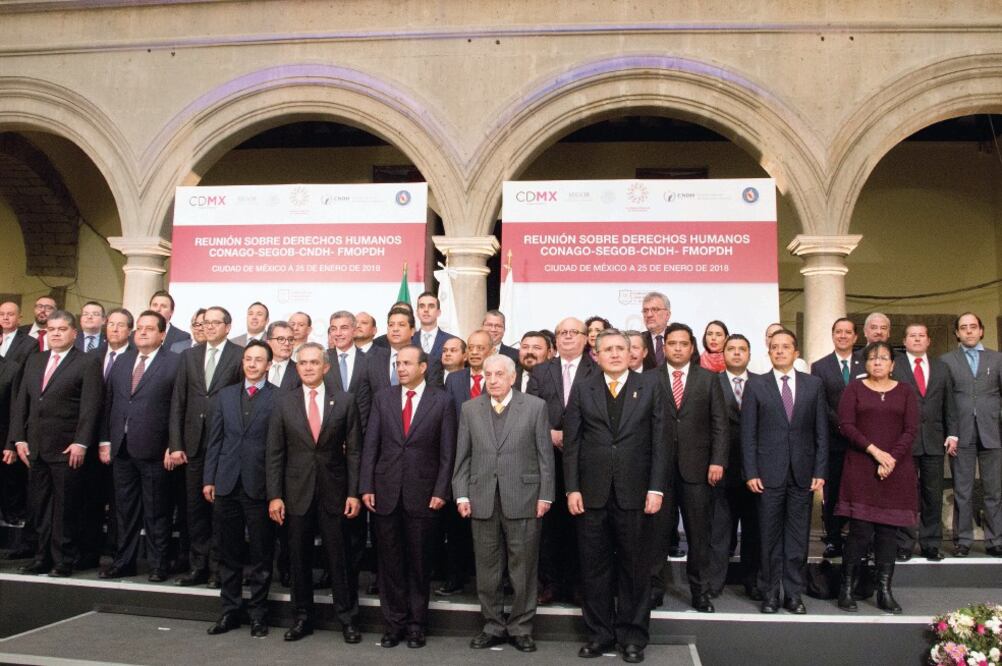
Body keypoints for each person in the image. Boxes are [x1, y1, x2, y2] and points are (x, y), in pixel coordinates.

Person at [563, 329, 665, 664]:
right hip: (590, 495)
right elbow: (572, 444)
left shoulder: (650, 386)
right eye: (608, 349)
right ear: (596, 355)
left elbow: (661, 443)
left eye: (621, 348)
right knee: (594, 569)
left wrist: (656, 487)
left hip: (636, 494)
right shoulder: (583, 388)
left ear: (632, 352)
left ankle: (633, 638)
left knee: (635, 570)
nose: (616, 354)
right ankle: (599, 635)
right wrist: (572, 488)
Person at [453, 353, 553, 653]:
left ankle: (521, 627)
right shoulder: (470, 409)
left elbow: (545, 456)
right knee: (487, 569)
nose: (493, 380)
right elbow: (463, 456)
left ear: (512, 377)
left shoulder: (535, 407)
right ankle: (493, 625)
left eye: (499, 374)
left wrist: (545, 495)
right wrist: (461, 493)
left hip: (523, 498)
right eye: (488, 374)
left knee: (522, 569)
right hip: (482, 498)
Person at [266, 342, 363, 643]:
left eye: (314, 362)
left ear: (326, 367)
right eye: (303, 363)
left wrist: (354, 492)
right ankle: (302, 618)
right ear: (297, 368)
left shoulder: (345, 401)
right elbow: (274, 453)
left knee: (339, 559)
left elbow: (355, 453)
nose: (308, 367)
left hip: (335, 493)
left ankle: (347, 619)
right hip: (295, 493)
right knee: (298, 559)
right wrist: (275, 495)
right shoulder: (284, 402)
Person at [361, 346, 456, 648]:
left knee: (418, 564)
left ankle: (416, 624)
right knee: (389, 564)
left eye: (407, 363)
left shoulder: (442, 401)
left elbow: (448, 452)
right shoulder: (383, 398)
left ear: (423, 367)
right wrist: (366, 486)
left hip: (424, 495)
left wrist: (442, 490)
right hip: (385, 493)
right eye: (397, 363)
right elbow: (371, 446)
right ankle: (393, 624)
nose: (401, 368)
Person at [6, 310, 103, 577]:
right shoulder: (35, 361)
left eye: (62, 329)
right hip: (35, 447)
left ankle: (63, 560)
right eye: (52, 329)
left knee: (64, 509)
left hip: (67, 448)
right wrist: (19, 439)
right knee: (39, 507)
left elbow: (91, 407)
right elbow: (21, 404)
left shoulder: (87, 362)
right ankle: (41, 557)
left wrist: (81, 442)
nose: (56, 333)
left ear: (74, 333)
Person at [741, 329, 827, 614]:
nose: (779, 351)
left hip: (802, 474)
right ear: (769, 352)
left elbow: (821, 433)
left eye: (785, 347)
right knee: (768, 537)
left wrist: (820, 470)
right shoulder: (757, 386)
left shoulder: (813, 385)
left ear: (796, 352)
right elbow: (748, 434)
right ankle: (769, 594)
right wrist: (751, 471)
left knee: (797, 538)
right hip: (767, 474)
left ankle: (793, 594)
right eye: (774, 347)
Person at [836, 340, 919, 614]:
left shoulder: (906, 391)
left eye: (883, 358)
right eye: (873, 358)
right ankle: (846, 589)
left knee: (887, 532)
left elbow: (910, 429)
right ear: (866, 363)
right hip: (861, 466)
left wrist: (891, 457)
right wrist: (875, 452)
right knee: (859, 531)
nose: (878, 362)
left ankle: (884, 591)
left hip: (895, 470)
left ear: (893, 365)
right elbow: (845, 424)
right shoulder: (854, 389)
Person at [650, 322, 728, 613]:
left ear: (692, 347)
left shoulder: (709, 379)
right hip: (659, 472)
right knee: (656, 535)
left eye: (683, 343)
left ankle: (700, 592)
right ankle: (654, 589)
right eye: (672, 343)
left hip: (698, 471)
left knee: (698, 535)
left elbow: (720, 424)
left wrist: (718, 460)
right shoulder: (649, 378)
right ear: (665, 346)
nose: (678, 348)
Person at [202, 340, 278, 637]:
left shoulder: (280, 398)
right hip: (226, 482)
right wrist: (210, 478)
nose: (252, 364)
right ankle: (229, 611)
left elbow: (278, 449)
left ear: (269, 365)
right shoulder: (225, 395)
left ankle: (259, 614)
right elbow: (215, 440)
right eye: (248, 358)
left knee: (261, 554)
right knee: (228, 552)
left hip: (260, 486)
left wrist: (276, 492)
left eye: (259, 360)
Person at [98, 310, 178, 582]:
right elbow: (110, 403)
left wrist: (173, 444)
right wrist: (106, 439)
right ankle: (124, 562)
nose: (142, 332)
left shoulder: (174, 363)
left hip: (155, 450)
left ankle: (158, 564)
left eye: (149, 328)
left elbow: (178, 408)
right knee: (124, 511)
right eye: (139, 328)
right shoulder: (122, 361)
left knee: (157, 511)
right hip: (121, 448)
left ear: (162, 334)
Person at [168, 306, 243, 587]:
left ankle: (218, 569)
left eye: (215, 322)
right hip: (192, 445)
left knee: (220, 511)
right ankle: (197, 566)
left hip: (224, 445)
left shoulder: (238, 356)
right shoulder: (189, 355)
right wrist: (176, 443)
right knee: (194, 510)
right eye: (204, 322)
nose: (209, 327)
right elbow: (178, 402)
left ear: (228, 326)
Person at [526, 317, 597, 605]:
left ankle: (579, 586)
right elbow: (529, 411)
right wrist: (550, 433)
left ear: (586, 338)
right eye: (562, 333)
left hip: (586, 461)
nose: (568, 337)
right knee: (549, 529)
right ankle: (550, 585)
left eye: (573, 332)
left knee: (583, 527)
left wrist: (574, 435)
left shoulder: (598, 368)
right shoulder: (542, 371)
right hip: (548, 460)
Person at [892, 323, 957, 562]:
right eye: (912, 336)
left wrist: (953, 433)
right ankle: (904, 543)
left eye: (921, 336)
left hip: (934, 440)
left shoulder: (941, 367)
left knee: (932, 493)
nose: (917, 339)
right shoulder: (895, 366)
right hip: (904, 441)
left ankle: (930, 543)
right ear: (905, 340)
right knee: (906, 493)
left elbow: (949, 402)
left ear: (929, 341)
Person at [939, 312, 1002, 558]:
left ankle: (995, 540)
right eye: (963, 328)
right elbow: (944, 400)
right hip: (960, 434)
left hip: (993, 432)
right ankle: (963, 540)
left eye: (973, 327)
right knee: (962, 490)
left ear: (981, 331)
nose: (969, 331)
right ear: (957, 333)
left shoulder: (997, 359)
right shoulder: (946, 360)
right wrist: (949, 432)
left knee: (993, 491)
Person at [438, 330, 493, 595]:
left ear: (491, 351)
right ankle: (454, 578)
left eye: (480, 347)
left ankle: (492, 581)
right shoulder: (454, 379)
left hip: (489, 460)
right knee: (455, 523)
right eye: (470, 347)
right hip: (459, 457)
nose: (474, 352)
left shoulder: (499, 377)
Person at [707, 333, 761, 600]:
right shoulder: (711, 382)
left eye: (742, 349)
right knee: (719, 531)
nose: (737, 353)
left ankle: (752, 581)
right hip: (722, 469)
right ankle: (713, 584)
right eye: (732, 349)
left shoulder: (762, 384)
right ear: (723, 354)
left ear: (749, 354)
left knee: (754, 530)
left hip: (755, 472)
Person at [810, 317, 864, 558]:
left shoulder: (866, 364)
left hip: (862, 442)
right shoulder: (820, 366)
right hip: (834, 439)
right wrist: (843, 425)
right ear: (833, 336)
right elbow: (820, 403)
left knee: (860, 491)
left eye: (847, 332)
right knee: (833, 493)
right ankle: (833, 538)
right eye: (838, 332)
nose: (843, 336)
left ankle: (859, 539)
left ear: (855, 337)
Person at [326, 311, 372, 428]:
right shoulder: (322, 360)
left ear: (355, 330)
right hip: (329, 435)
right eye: (333, 329)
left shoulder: (370, 361)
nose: (338, 333)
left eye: (344, 328)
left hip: (362, 431)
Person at [412, 291, 457, 361]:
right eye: (422, 306)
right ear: (417, 312)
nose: (426, 310)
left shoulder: (452, 341)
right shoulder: (409, 341)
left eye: (431, 306)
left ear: (438, 312)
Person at [264, 321, 299, 391]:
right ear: (268, 342)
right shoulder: (259, 367)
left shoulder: (300, 371)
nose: (287, 343)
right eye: (281, 339)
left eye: (290, 339)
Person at [641, 292, 670, 370]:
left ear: (667, 315)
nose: (649, 315)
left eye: (655, 309)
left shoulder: (684, 339)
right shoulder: (638, 340)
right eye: (645, 311)